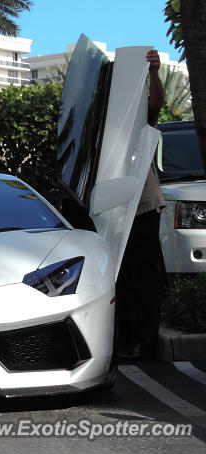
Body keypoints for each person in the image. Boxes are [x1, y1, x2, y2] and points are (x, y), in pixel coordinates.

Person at [115, 49, 166, 359]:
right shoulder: (106, 120)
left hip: (142, 203)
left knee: (142, 274)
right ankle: (127, 338)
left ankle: (144, 341)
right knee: (122, 276)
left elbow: (156, 104)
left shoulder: (137, 115)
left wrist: (154, 73)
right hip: (113, 206)